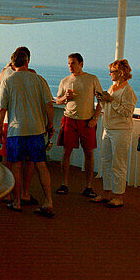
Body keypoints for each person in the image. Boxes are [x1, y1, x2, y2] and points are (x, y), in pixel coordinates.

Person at [0, 47, 55, 217]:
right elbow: (49, 104)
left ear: (13, 63)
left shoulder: (8, 81)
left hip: (16, 129)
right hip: (37, 130)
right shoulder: (38, 79)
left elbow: (2, 108)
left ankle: (17, 202)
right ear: (28, 61)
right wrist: (49, 125)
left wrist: (0, 129)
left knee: (16, 164)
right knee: (40, 164)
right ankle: (48, 201)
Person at [54, 52, 104, 197]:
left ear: (81, 64)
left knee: (88, 153)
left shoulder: (92, 79)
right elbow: (57, 100)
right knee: (66, 152)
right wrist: (65, 97)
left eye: (73, 63)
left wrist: (95, 118)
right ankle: (64, 184)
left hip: (87, 121)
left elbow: (101, 100)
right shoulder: (65, 81)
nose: (70, 66)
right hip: (69, 119)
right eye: (69, 63)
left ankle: (88, 186)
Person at [90, 59, 137, 207]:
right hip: (108, 129)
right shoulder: (112, 88)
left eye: (112, 71)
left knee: (118, 164)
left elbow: (127, 112)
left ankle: (118, 196)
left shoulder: (128, 91)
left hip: (121, 131)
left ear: (121, 73)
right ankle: (107, 193)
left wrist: (111, 101)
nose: (109, 73)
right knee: (106, 162)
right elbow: (108, 105)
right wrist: (103, 100)